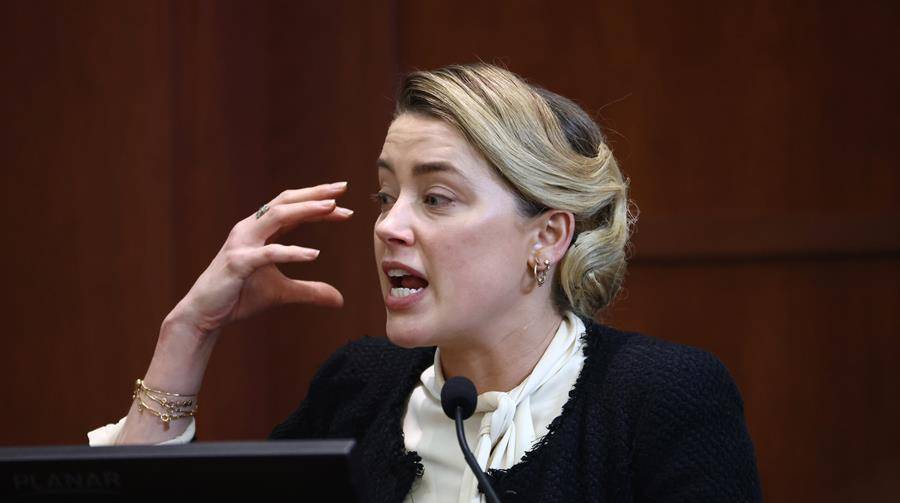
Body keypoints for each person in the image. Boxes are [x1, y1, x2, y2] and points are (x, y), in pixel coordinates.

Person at [88, 63, 762, 502]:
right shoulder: (357, 390)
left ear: (547, 236)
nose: (389, 226)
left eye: (436, 198)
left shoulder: (662, 399)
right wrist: (188, 333)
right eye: (386, 197)